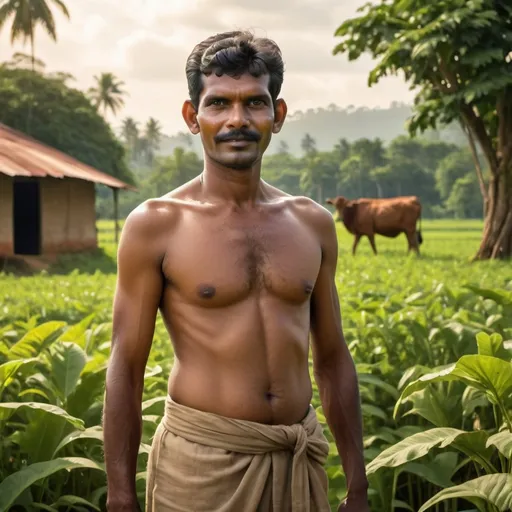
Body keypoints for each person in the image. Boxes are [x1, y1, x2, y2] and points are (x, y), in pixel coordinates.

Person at [103, 30, 369, 512]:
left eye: (255, 103)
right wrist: (120, 495)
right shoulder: (157, 225)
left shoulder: (312, 223)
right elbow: (126, 365)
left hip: (296, 457)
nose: (237, 120)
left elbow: (332, 358)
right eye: (219, 103)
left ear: (278, 115)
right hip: (201, 464)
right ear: (193, 117)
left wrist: (358, 484)